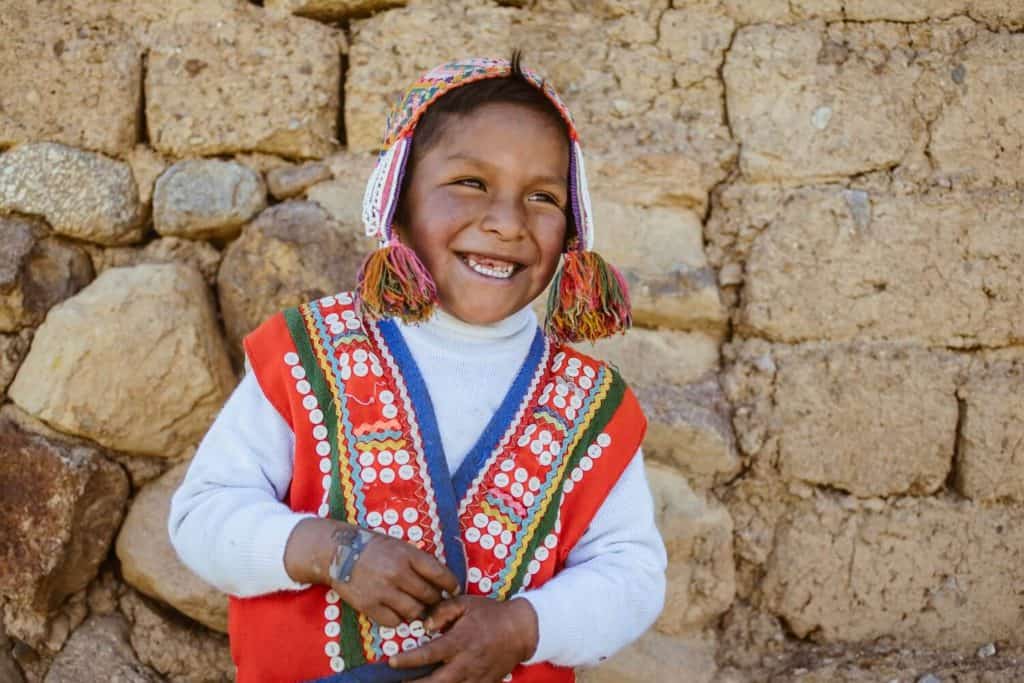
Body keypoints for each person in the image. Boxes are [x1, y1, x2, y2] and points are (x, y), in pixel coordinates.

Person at [169, 54, 666, 683]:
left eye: (542, 197)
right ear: (398, 202)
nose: (506, 223)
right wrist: (334, 552)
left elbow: (631, 574)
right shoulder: (309, 354)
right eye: (470, 183)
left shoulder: (592, 407)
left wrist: (522, 626)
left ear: (572, 231)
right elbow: (202, 515)